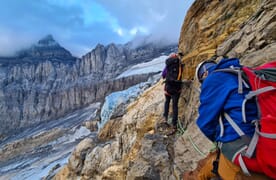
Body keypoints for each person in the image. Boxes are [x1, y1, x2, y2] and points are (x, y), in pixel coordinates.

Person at [195, 57, 269, 179]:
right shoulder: (242, 71)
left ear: (205, 74)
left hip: (244, 146)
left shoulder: (213, 79)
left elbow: (205, 123)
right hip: (264, 135)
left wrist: (218, 141)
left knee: (207, 170)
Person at [161, 52, 184, 134]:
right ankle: (174, 125)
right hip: (177, 88)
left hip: (168, 87)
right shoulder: (180, 64)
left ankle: (165, 118)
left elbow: (163, 75)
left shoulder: (168, 65)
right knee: (175, 106)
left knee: (167, 102)